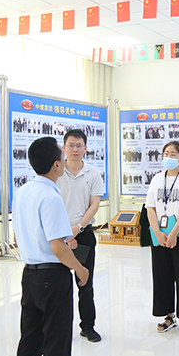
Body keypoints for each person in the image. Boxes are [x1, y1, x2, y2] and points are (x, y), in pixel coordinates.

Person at [13, 136, 89, 356]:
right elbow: (58, 247)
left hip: (29, 276)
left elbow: (26, 233)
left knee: (29, 345)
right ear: (57, 164)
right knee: (56, 351)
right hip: (53, 279)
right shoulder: (51, 195)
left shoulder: (22, 191)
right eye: (63, 154)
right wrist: (80, 269)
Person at [145, 141, 179, 336]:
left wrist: (175, 232)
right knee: (162, 276)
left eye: (173, 154)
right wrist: (158, 233)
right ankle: (168, 315)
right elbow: (150, 207)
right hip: (159, 235)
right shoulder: (157, 179)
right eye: (166, 153)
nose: (169, 157)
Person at [57, 129, 104, 343]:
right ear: (64, 147)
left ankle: (88, 326)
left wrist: (78, 228)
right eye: (71, 145)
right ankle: (60, 328)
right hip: (57, 236)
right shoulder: (55, 172)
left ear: (85, 148)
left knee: (85, 282)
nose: (75, 149)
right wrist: (66, 232)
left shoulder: (93, 173)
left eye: (79, 145)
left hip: (84, 235)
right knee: (58, 286)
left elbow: (95, 204)